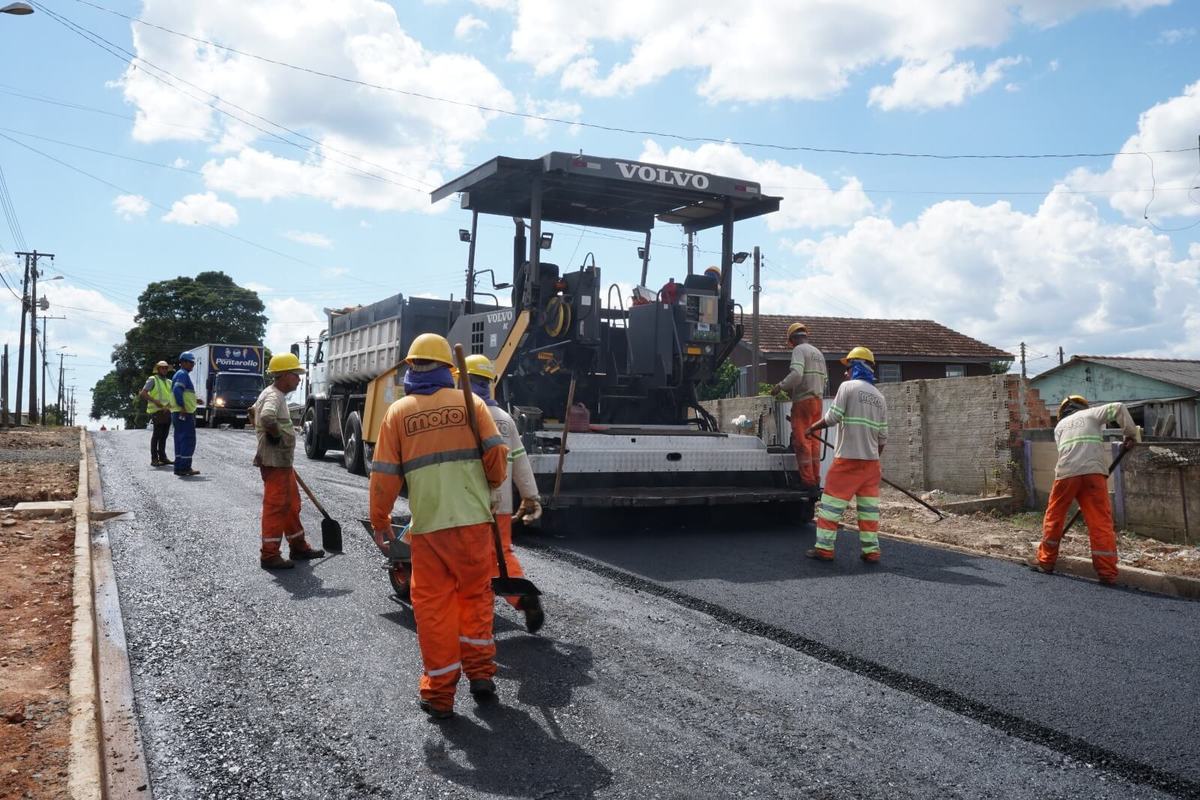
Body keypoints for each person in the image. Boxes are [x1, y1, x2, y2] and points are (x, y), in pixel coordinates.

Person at [368, 334, 508, 720]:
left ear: (410, 368)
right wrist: (490, 484)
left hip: (429, 529)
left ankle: (440, 695)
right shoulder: (472, 404)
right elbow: (497, 458)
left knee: (434, 611)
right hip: (474, 524)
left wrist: (380, 520)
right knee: (476, 600)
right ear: (448, 369)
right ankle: (481, 676)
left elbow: (383, 475)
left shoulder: (398, 413)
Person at [458, 354, 545, 633]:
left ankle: (472, 614)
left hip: (469, 502)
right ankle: (522, 596)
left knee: (469, 557)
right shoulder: (505, 418)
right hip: (504, 503)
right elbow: (519, 459)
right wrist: (531, 496)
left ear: (464, 379)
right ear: (489, 383)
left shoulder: (461, 414)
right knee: (502, 551)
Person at [1033, 395, 1137, 584]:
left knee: (1054, 517)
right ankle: (1107, 573)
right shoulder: (1092, 414)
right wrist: (1130, 434)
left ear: (1062, 412)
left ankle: (1046, 562)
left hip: (1066, 474)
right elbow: (1119, 406)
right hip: (1093, 474)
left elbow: (1067, 452)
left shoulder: (1059, 427)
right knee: (1100, 523)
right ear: (1082, 406)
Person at [804, 346, 887, 562]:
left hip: (847, 461)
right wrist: (872, 459)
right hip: (871, 466)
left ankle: (824, 549)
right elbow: (883, 438)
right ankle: (872, 551)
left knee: (831, 507)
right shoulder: (880, 397)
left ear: (857, 365)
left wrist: (812, 427)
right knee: (869, 512)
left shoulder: (847, 388)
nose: (845, 372)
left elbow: (832, 417)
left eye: (848, 367)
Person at [252, 353, 324, 570]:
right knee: (276, 506)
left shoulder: (273, 394)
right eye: (296, 375)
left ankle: (298, 546)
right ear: (284, 375)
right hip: (275, 462)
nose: (299, 379)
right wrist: (275, 437)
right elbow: (265, 417)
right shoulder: (274, 396)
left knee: (291, 504)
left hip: (281, 462)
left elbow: (252, 412)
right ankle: (269, 554)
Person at [769, 322, 827, 491]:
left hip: (803, 401)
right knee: (814, 442)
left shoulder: (799, 351)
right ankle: (816, 479)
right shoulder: (818, 353)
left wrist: (780, 386)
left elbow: (796, 375)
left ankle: (807, 481)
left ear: (793, 339)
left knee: (802, 442)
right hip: (818, 401)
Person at [138, 360, 176, 467]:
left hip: (167, 411)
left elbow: (172, 396)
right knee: (157, 435)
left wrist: (168, 407)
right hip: (157, 411)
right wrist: (155, 401)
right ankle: (154, 459)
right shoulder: (152, 379)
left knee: (164, 436)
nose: (164, 369)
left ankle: (163, 458)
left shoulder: (169, 382)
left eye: (165, 368)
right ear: (158, 369)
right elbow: (143, 393)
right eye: (162, 368)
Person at [171, 352, 200, 477]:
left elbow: (184, 393)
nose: (193, 364)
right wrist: (183, 406)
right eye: (190, 362)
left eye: (193, 362)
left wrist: (195, 400)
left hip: (178, 412)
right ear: (183, 362)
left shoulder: (180, 374)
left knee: (179, 439)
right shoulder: (182, 374)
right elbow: (178, 390)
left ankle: (179, 467)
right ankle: (185, 467)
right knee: (188, 439)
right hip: (184, 412)